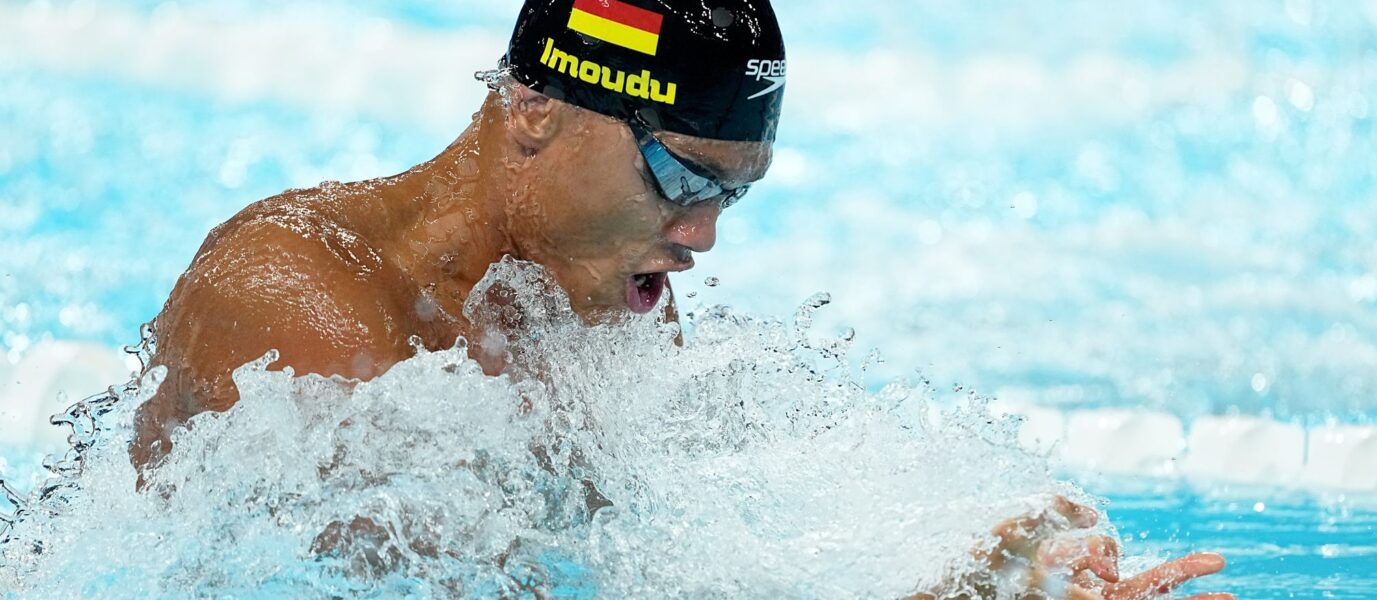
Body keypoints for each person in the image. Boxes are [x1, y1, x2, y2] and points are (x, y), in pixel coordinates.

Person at [126, 0, 1229, 597]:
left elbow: (672, 562)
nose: (699, 237)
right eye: (679, 179)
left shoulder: (582, 305)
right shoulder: (293, 291)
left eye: (728, 200)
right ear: (532, 111)